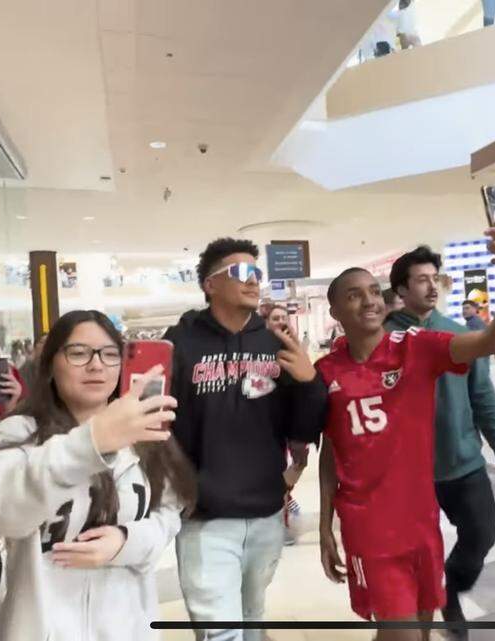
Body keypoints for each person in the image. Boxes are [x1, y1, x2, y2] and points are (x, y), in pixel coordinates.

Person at [319, 217, 495, 641]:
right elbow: (331, 450)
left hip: (422, 523)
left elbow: (492, 342)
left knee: (419, 631)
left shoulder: (418, 348)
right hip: (370, 530)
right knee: (401, 633)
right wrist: (326, 524)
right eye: (354, 295)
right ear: (335, 312)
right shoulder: (326, 373)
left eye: (372, 291)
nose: (368, 301)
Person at [0, 310, 195, 641]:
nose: (96, 365)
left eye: (109, 354)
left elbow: (168, 513)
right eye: (78, 352)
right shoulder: (19, 435)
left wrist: (126, 542)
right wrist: (90, 444)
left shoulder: (144, 434)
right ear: (50, 364)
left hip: (127, 628)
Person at [166, 238, 327, 640]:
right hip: (204, 517)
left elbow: (303, 428)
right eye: (240, 272)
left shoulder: (274, 343)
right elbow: (158, 422)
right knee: (220, 632)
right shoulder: (180, 344)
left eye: (256, 272)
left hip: (266, 513)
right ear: (210, 284)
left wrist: (309, 382)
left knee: (253, 618)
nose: (253, 280)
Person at [384, 245, 495, 637]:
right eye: (421, 280)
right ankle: (421, 617)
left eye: (435, 279)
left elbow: (482, 394)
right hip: (409, 472)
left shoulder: (459, 334)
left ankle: (451, 590)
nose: (432, 287)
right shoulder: (383, 340)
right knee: (413, 554)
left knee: (482, 532)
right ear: (401, 289)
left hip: (462, 461)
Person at [264, 304, 311, 546]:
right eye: (276, 318)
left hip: (294, 421)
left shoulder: (296, 348)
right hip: (269, 424)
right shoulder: (259, 349)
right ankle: (280, 520)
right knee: (275, 470)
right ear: (266, 322)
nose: (281, 321)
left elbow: (307, 382)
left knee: (300, 463)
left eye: (284, 317)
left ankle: (285, 498)